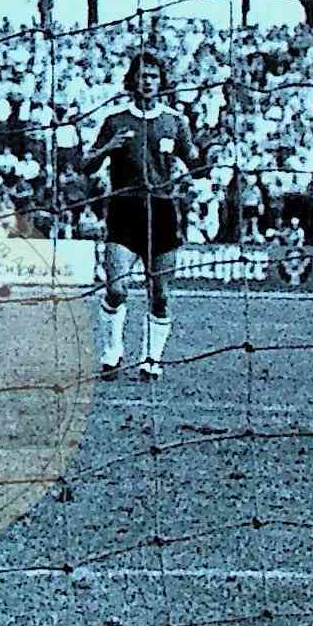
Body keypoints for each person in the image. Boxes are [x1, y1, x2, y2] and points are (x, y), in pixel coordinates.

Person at [80, 51, 204, 380]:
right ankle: (111, 355)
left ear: (161, 81)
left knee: (160, 294)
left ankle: (151, 360)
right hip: (124, 209)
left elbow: (194, 161)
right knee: (116, 288)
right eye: (141, 75)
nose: (147, 81)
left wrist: (194, 168)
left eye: (152, 75)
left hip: (162, 210)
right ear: (132, 79)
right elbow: (86, 164)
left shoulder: (175, 121)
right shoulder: (116, 121)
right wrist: (109, 148)